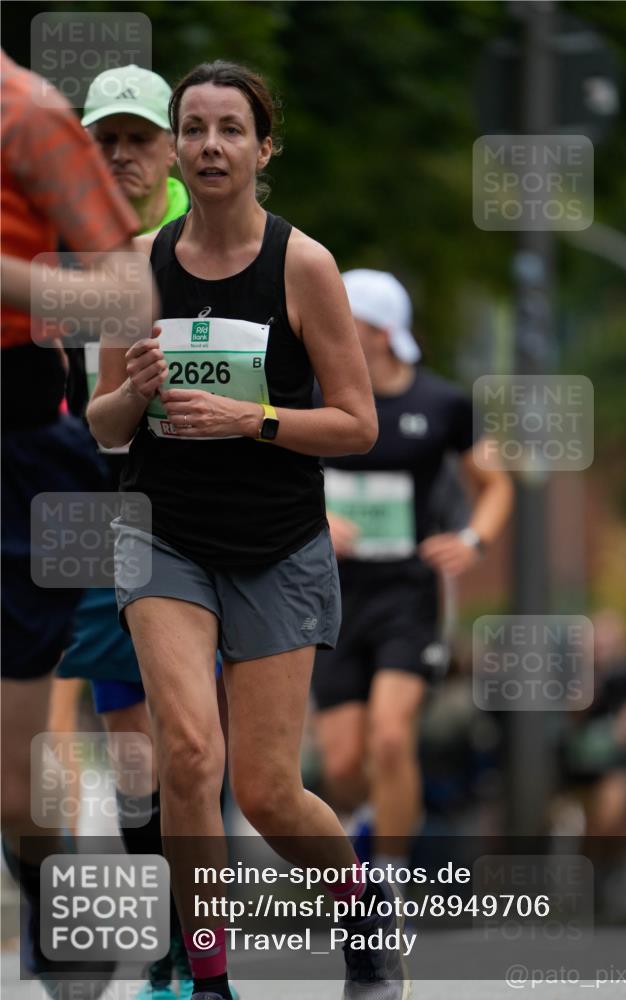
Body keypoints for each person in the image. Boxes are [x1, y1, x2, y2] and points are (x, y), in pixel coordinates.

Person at [87, 60, 415, 1000]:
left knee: (269, 793)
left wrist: (253, 420)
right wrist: (134, 391)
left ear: (263, 148)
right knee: (190, 754)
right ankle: (207, 977)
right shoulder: (137, 267)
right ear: (178, 149)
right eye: (194, 129)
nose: (210, 146)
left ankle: (361, 913)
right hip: (165, 537)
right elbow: (102, 426)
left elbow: (357, 425)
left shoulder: (301, 265)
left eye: (231, 129)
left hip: (277, 545)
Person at [49, 63, 204, 1000]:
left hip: (202, 508)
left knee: (196, 742)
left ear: (171, 147)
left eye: (138, 139)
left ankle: (193, 945)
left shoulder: (212, 238)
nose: (121, 156)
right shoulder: (56, 243)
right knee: (137, 748)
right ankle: (168, 937)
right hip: (91, 503)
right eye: (103, 140)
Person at [0, 49, 153, 998]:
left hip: (17, 444)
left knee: (15, 792)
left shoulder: (29, 116)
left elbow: (125, 295)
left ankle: (65, 922)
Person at [312, 269, 513, 876]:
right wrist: (317, 518)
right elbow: (274, 477)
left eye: (344, 319)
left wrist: (473, 540)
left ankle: (388, 876)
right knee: (342, 760)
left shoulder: (443, 403)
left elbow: (496, 483)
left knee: (393, 737)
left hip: (409, 591)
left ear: (378, 331)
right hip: (332, 592)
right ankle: (371, 820)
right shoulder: (313, 397)